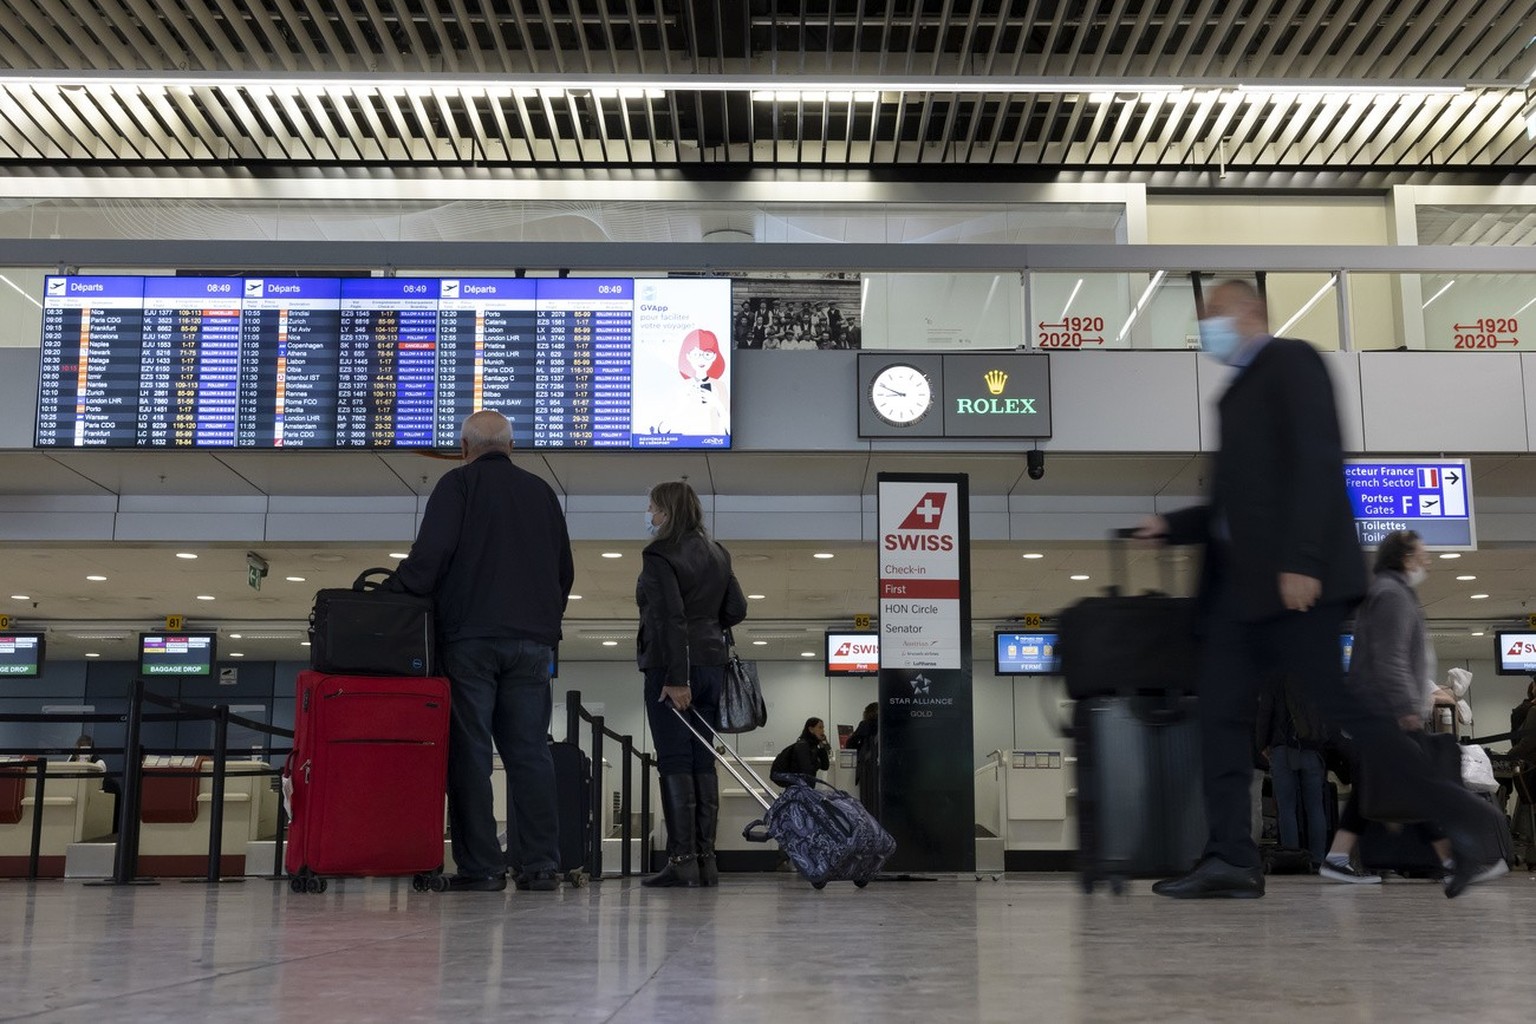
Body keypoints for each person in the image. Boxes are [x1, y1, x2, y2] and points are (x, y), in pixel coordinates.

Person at [1136, 279, 1501, 899]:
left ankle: (1470, 826)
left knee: (1345, 710)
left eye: (1214, 317)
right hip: (1238, 596)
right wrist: (1172, 525)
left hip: (1293, 583)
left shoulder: (1292, 361)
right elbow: (1231, 508)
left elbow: (1318, 457)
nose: (1207, 332)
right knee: (1219, 718)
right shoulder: (1234, 394)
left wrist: (1303, 557)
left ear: (1251, 312)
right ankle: (1229, 856)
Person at [394, 410, 573, 893]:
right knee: (531, 753)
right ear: (511, 447)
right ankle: (540, 866)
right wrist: (543, 625)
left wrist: (395, 591)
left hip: (470, 638)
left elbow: (431, 556)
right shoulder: (542, 493)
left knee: (471, 753)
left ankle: (483, 868)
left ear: (465, 446)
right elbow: (564, 572)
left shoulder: (457, 485)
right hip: (533, 644)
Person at [1318, 531, 1465, 883]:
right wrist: (1406, 709)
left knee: (1377, 787)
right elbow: (1390, 659)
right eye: (1421, 554)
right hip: (1389, 712)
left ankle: (1336, 858)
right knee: (1419, 783)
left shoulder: (1390, 591)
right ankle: (1453, 863)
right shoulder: (1392, 593)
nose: (1426, 560)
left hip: (1381, 710)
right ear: (1404, 557)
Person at [637, 480, 748, 889]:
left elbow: (670, 618)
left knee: (675, 761)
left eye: (652, 508)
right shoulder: (719, 552)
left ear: (666, 512)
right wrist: (708, 627)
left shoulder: (659, 553)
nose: (649, 515)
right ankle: (706, 861)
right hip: (712, 667)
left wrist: (676, 678)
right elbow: (736, 608)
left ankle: (682, 860)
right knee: (703, 759)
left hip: (672, 670)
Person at [1256, 674, 1331, 866]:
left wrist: (1261, 744)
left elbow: (1265, 712)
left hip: (1283, 750)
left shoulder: (1275, 677)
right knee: (1315, 807)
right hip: (1313, 750)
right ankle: (1317, 859)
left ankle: (1292, 860)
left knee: (1286, 808)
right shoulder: (1316, 674)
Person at [771, 718, 832, 784]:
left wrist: (822, 747)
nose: (823, 731)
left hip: (804, 785)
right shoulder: (803, 746)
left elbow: (825, 766)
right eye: (820, 728)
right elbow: (807, 771)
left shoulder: (813, 746)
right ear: (811, 729)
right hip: (798, 786)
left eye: (823, 728)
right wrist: (817, 763)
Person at [847, 702, 880, 814]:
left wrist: (860, 746)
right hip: (881, 767)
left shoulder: (865, 724)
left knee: (867, 798)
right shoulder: (887, 725)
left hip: (867, 766)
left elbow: (850, 743)